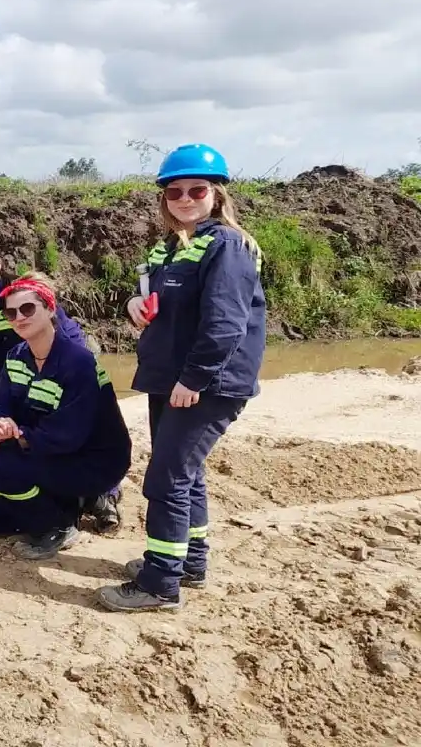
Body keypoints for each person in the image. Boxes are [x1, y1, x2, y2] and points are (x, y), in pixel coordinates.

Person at [96, 143, 266, 613]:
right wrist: (135, 306)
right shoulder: (172, 247)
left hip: (203, 384)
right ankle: (188, 562)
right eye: (175, 191)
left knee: (166, 479)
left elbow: (226, 324)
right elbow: (161, 303)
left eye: (197, 189)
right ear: (164, 198)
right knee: (185, 476)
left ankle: (159, 584)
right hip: (168, 377)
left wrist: (194, 379)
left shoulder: (227, 246)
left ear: (217, 194)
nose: (185, 198)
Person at [0, 236, 123, 533]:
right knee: (4, 437)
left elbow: (63, 337)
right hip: (13, 370)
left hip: (53, 367)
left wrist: (61, 374)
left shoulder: (21, 296)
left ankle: (103, 494)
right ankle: (43, 490)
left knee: (74, 430)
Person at [0, 273, 133, 559]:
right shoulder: (17, 356)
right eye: (11, 312)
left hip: (93, 461)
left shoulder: (78, 362)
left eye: (28, 309)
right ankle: (70, 503)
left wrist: (8, 440)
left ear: (50, 309)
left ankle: (57, 526)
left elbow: (67, 434)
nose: (19, 317)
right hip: (51, 453)